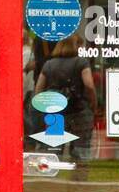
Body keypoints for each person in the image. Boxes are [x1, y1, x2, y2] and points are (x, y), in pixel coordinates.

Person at [34, 35, 97, 163]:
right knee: (81, 151)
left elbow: (38, 89)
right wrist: (93, 102)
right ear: (75, 46)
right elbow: (89, 85)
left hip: (56, 113)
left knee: (54, 149)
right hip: (79, 110)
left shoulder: (49, 64)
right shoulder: (81, 62)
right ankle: (79, 178)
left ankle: (53, 179)